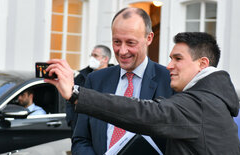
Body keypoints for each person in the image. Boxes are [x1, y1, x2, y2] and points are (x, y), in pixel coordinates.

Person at [45, 32, 240, 155]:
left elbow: (144, 112)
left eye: (178, 59)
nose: (169, 66)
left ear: (202, 63)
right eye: (170, 58)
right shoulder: (211, 99)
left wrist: (75, 93)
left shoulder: (199, 104)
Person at [63, 7, 173, 155]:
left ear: (149, 38)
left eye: (130, 43)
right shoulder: (95, 80)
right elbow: (81, 139)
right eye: (116, 42)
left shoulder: (169, 80)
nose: (122, 51)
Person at [66, 45, 112, 130]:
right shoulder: (81, 77)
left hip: (104, 127)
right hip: (81, 127)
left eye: (95, 56)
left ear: (105, 59)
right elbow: (70, 100)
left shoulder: (114, 77)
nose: (92, 58)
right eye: (91, 55)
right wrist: (72, 121)